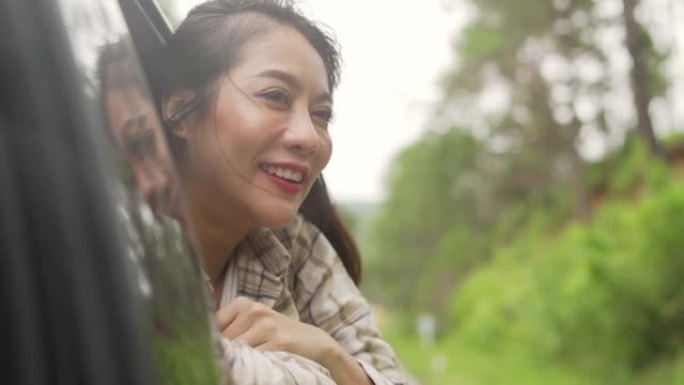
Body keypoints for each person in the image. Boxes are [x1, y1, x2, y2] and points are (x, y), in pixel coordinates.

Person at [153, 1, 411, 384]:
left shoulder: (293, 246)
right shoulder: (129, 235)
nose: (309, 137)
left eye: (321, 114)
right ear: (183, 109)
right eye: (275, 96)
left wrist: (329, 352)